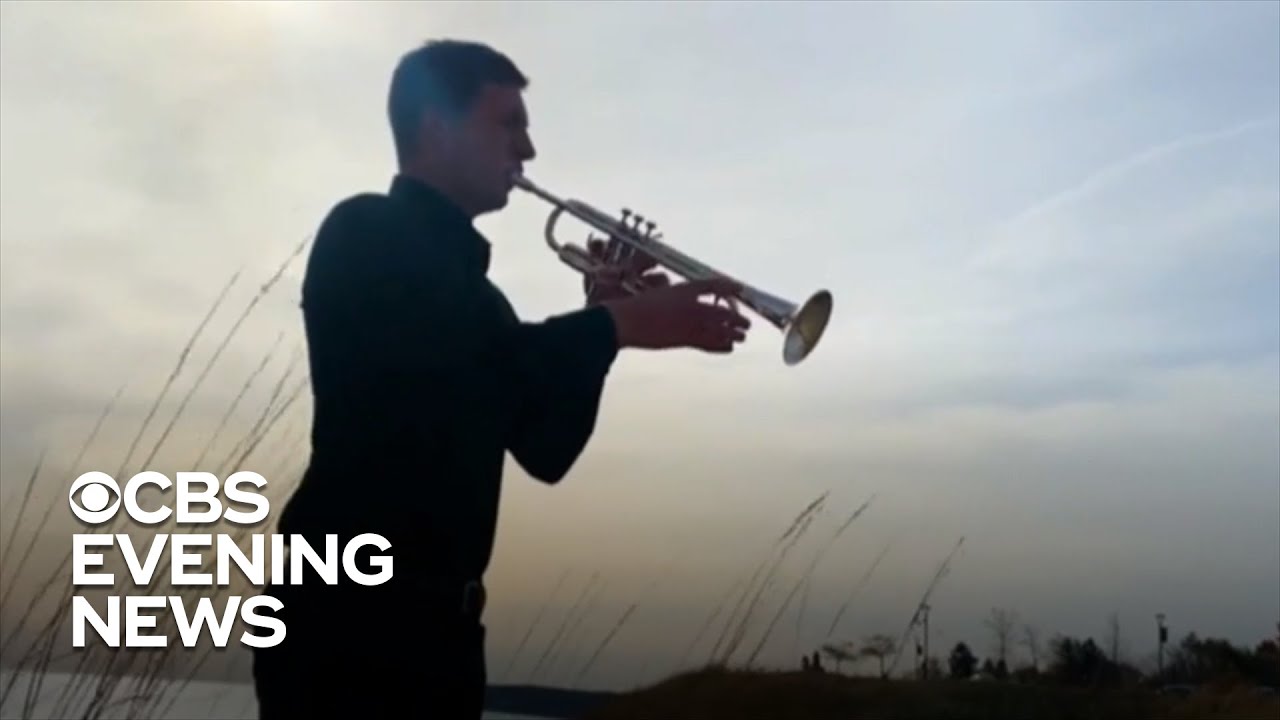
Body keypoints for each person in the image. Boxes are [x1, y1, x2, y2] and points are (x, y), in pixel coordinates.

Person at [249, 39, 751, 719]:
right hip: (346, 628)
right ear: (435, 127)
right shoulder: (362, 230)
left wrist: (602, 319)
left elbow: (547, 448)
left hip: (442, 637)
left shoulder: (484, 304)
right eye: (508, 124)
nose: (528, 151)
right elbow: (459, 365)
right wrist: (618, 327)